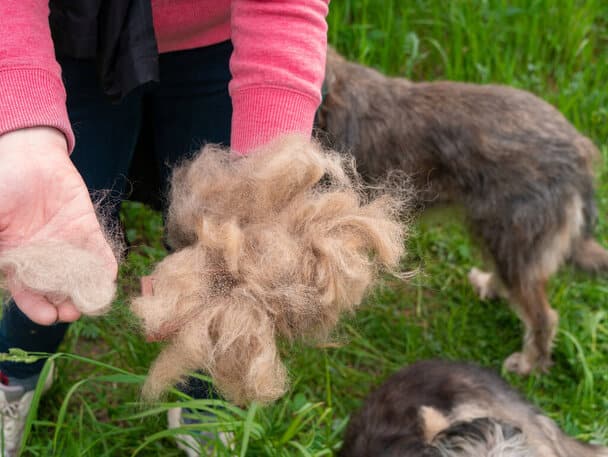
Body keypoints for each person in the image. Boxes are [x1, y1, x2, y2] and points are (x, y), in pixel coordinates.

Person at [0, 0, 329, 455]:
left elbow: (282, 8)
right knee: (57, 235)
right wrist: (22, 129)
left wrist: (269, 185)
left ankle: (206, 403)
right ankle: (17, 368)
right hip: (73, 36)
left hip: (221, 40)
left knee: (226, 251)